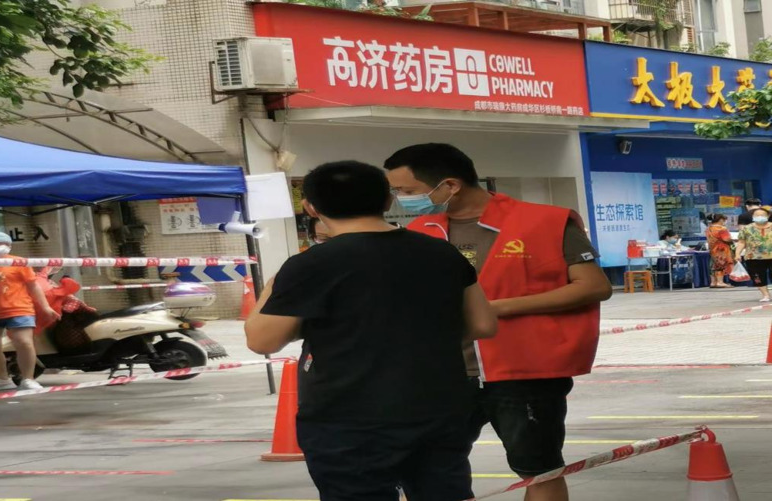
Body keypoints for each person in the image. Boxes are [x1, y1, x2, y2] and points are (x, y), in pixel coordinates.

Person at [245, 161, 498, 501]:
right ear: (388, 201)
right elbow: (483, 324)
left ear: (311, 207)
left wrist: (273, 287)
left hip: (348, 418)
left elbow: (262, 340)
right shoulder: (442, 252)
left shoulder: (312, 264)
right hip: (438, 408)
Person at [384, 143, 612, 501]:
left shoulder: (546, 222)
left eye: (408, 191)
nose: (400, 199)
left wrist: (497, 308)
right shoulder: (419, 231)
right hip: (442, 374)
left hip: (524, 372)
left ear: (450, 185)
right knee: (427, 468)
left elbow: (594, 286)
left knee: (539, 469)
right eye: (396, 191)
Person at [0, 232, 60, 391]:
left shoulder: (18, 262)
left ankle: (28, 379)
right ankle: (1, 379)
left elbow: (33, 286)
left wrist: (46, 307)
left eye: (7, 244)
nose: (4, 246)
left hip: (19, 309)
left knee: (24, 342)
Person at [735, 207, 772, 302]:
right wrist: (737, 253)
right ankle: (765, 295)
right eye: (757, 215)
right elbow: (741, 242)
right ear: (752, 216)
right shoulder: (747, 229)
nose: (759, 217)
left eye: (762, 215)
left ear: (768, 216)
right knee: (757, 276)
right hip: (753, 256)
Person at [706, 214, 734, 288]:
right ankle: (720, 282)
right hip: (721, 249)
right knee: (721, 265)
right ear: (720, 220)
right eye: (724, 220)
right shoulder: (722, 229)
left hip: (713, 249)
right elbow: (726, 239)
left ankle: (713, 282)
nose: (724, 221)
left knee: (713, 265)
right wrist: (734, 240)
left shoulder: (709, 229)